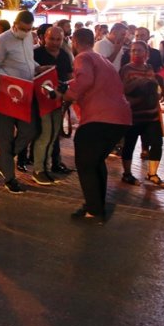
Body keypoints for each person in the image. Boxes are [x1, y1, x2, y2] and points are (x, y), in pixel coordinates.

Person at [64, 28, 132, 223]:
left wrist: (67, 95)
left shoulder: (82, 57)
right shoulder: (103, 60)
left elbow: (84, 80)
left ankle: (94, 211)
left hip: (100, 117)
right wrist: (68, 84)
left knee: (85, 164)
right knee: (95, 162)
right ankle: (96, 204)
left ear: (74, 42)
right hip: (119, 118)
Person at [0, 10, 40, 194]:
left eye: (29, 29)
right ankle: (10, 178)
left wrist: (38, 68)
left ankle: (2, 160)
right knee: (6, 137)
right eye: (23, 29)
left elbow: (27, 61)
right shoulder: (2, 40)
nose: (25, 32)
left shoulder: (29, 38)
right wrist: (6, 82)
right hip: (6, 93)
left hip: (25, 92)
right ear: (15, 25)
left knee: (29, 130)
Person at [120, 41, 164, 188]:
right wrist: (141, 83)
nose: (136, 53)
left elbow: (155, 85)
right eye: (133, 51)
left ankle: (152, 173)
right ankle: (127, 173)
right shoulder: (126, 69)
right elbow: (124, 89)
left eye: (139, 51)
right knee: (129, 145)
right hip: (134, 115)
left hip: (151, 115)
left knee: (157, 143)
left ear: (147, 53)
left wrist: (158, 90)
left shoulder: (150, 68)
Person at [31, 26, 74, 182]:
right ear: (44, 38)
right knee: (45, 134)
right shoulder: (36, 54)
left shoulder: (64, 55)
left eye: (58, 39)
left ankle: (46, 167)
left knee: (54, 135)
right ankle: (38, 169)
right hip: (41, 101)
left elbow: (69, 76)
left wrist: (68, 96)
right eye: (52, 39)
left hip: (59, 100)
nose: (55, 42)